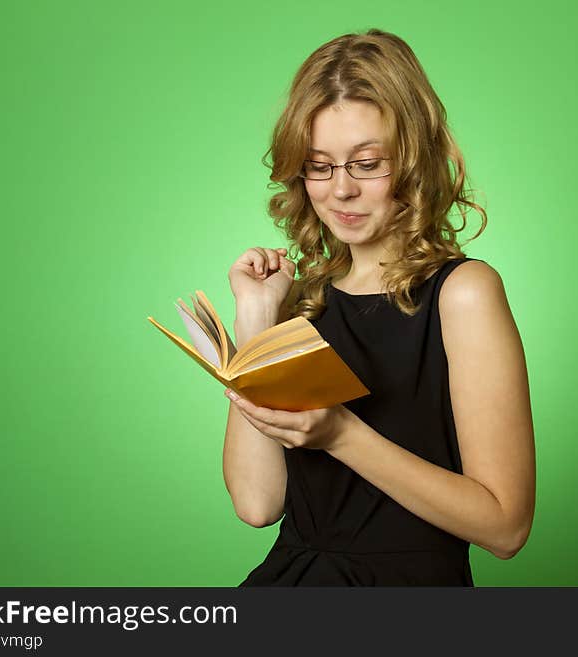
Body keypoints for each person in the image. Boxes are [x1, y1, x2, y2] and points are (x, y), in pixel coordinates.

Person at [221, 28, 536, 586]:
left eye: (367, 164)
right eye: (319, 166)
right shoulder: (300, 299)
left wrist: (341, 434)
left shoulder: (463, 293)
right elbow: (257, 504)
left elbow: (506, 528)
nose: (340, 191)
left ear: (414, 160)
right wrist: (256, 323)